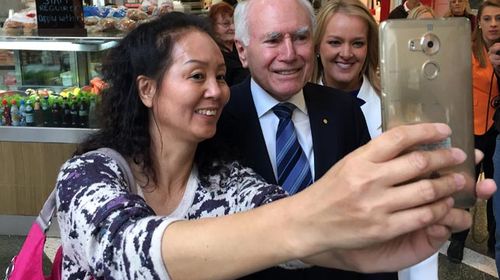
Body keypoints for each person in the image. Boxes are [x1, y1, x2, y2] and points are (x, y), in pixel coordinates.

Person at [55, 10, 495, 280]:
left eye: (220, 77)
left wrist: (373, 253)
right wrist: (329, 199)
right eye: (195, 76)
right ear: (147, 90)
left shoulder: (222, 178)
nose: (216, 91)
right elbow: (132, 251)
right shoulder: (89, 175)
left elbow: (289, 233)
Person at [216, 0, 465, 279]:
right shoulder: (216, 119)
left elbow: (373, 226)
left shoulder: (343, 110)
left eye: (300, 37)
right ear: (242, 50)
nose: (289, 53)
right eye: (273, 39)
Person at [311, 1, 437, 279]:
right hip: (318, 259)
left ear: (370, 48)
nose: (346, 53)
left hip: (385, 257)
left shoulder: (397, 109)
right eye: (335, 42)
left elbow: (418, 203)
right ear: (318, 45)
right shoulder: (296, 109)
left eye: (357, 43)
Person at [448, 0, 500, 264]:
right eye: (488, 19)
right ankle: (458, 238)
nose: (493, 24)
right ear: (478, 22)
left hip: (496, 131)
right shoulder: (467, 50)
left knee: (496, 190)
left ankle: (494, 239)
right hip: (470, 130)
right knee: (466, 187)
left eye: (498, 19)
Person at [207, 2, 250, 86]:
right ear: (213, 26)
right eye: (226, 24)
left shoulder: (241, 47)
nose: (232, 28)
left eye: (234, 22)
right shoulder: (212, 55)